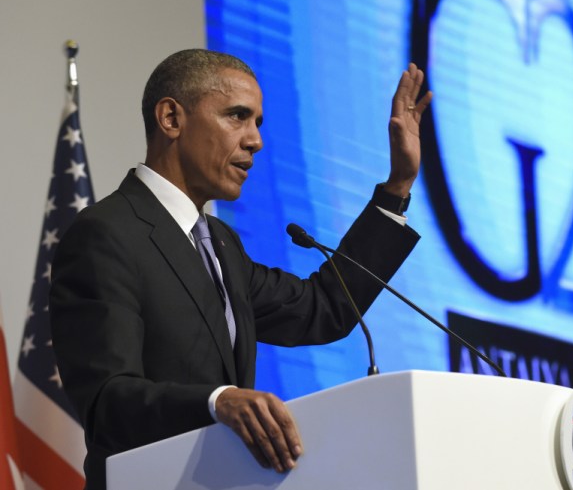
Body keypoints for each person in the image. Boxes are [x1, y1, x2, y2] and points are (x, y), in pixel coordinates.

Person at [49, 49, 432, 490]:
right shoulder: (107, 233)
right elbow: (106, 400)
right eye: (237, 117)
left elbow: (323, 307)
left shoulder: (222, 244)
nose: (255, 141)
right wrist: (217, 402)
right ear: (171, 118)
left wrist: (397, 185)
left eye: (258, 123)